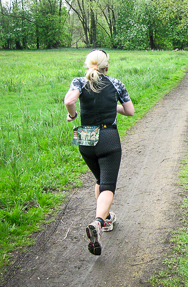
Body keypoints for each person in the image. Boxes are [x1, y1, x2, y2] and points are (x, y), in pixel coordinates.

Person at [64, 49, 135, 256]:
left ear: (88, 65)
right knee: (108, 185)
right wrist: (114, 107)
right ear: (107, 67)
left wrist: (73, 115)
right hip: (107, 137)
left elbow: (70, 101)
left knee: (98, 179)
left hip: (85, 138)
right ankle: (98, 222)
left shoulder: (79, 81)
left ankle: (104, 220)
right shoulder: (116, 83)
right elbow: (130, 111)